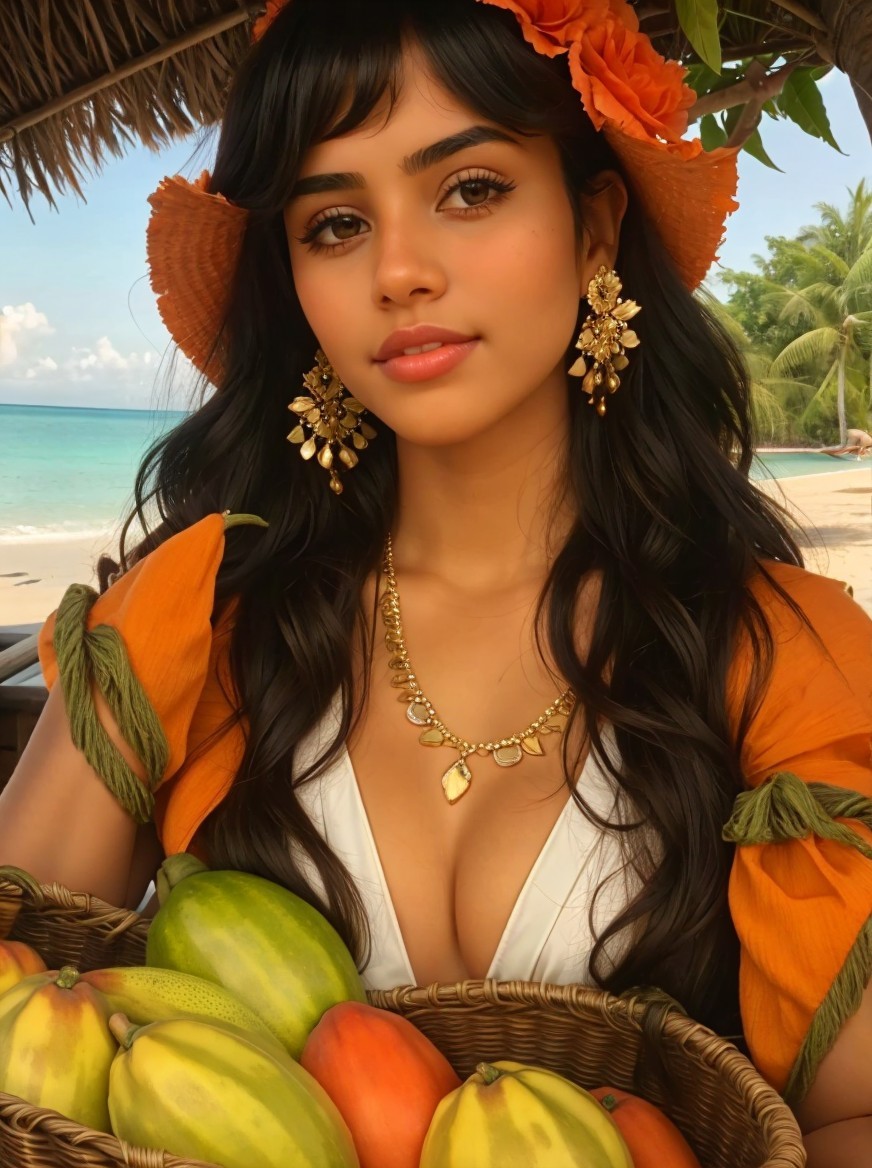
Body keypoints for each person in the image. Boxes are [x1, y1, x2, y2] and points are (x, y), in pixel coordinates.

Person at [0, 1, 869, 1160]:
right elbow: (17, 990)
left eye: (469, 189)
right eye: (337, 221)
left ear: (594, 225)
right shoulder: (199, 614)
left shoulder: (779, 660)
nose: (399, 270)